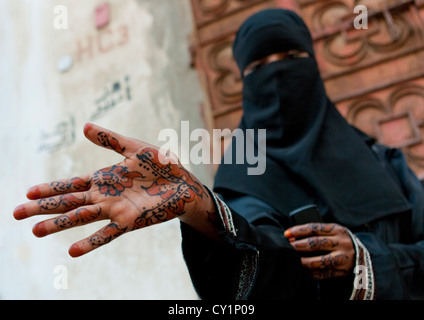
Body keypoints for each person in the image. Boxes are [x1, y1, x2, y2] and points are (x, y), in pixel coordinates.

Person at [13, 9, 424, 300]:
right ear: (245, 82)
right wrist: (202, 211)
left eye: (292, 58)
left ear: (314, 69)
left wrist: (371, 259)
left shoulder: (384, 163)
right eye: (261, 65)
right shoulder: (244, 176)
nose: (279, 74)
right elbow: (263, 270)